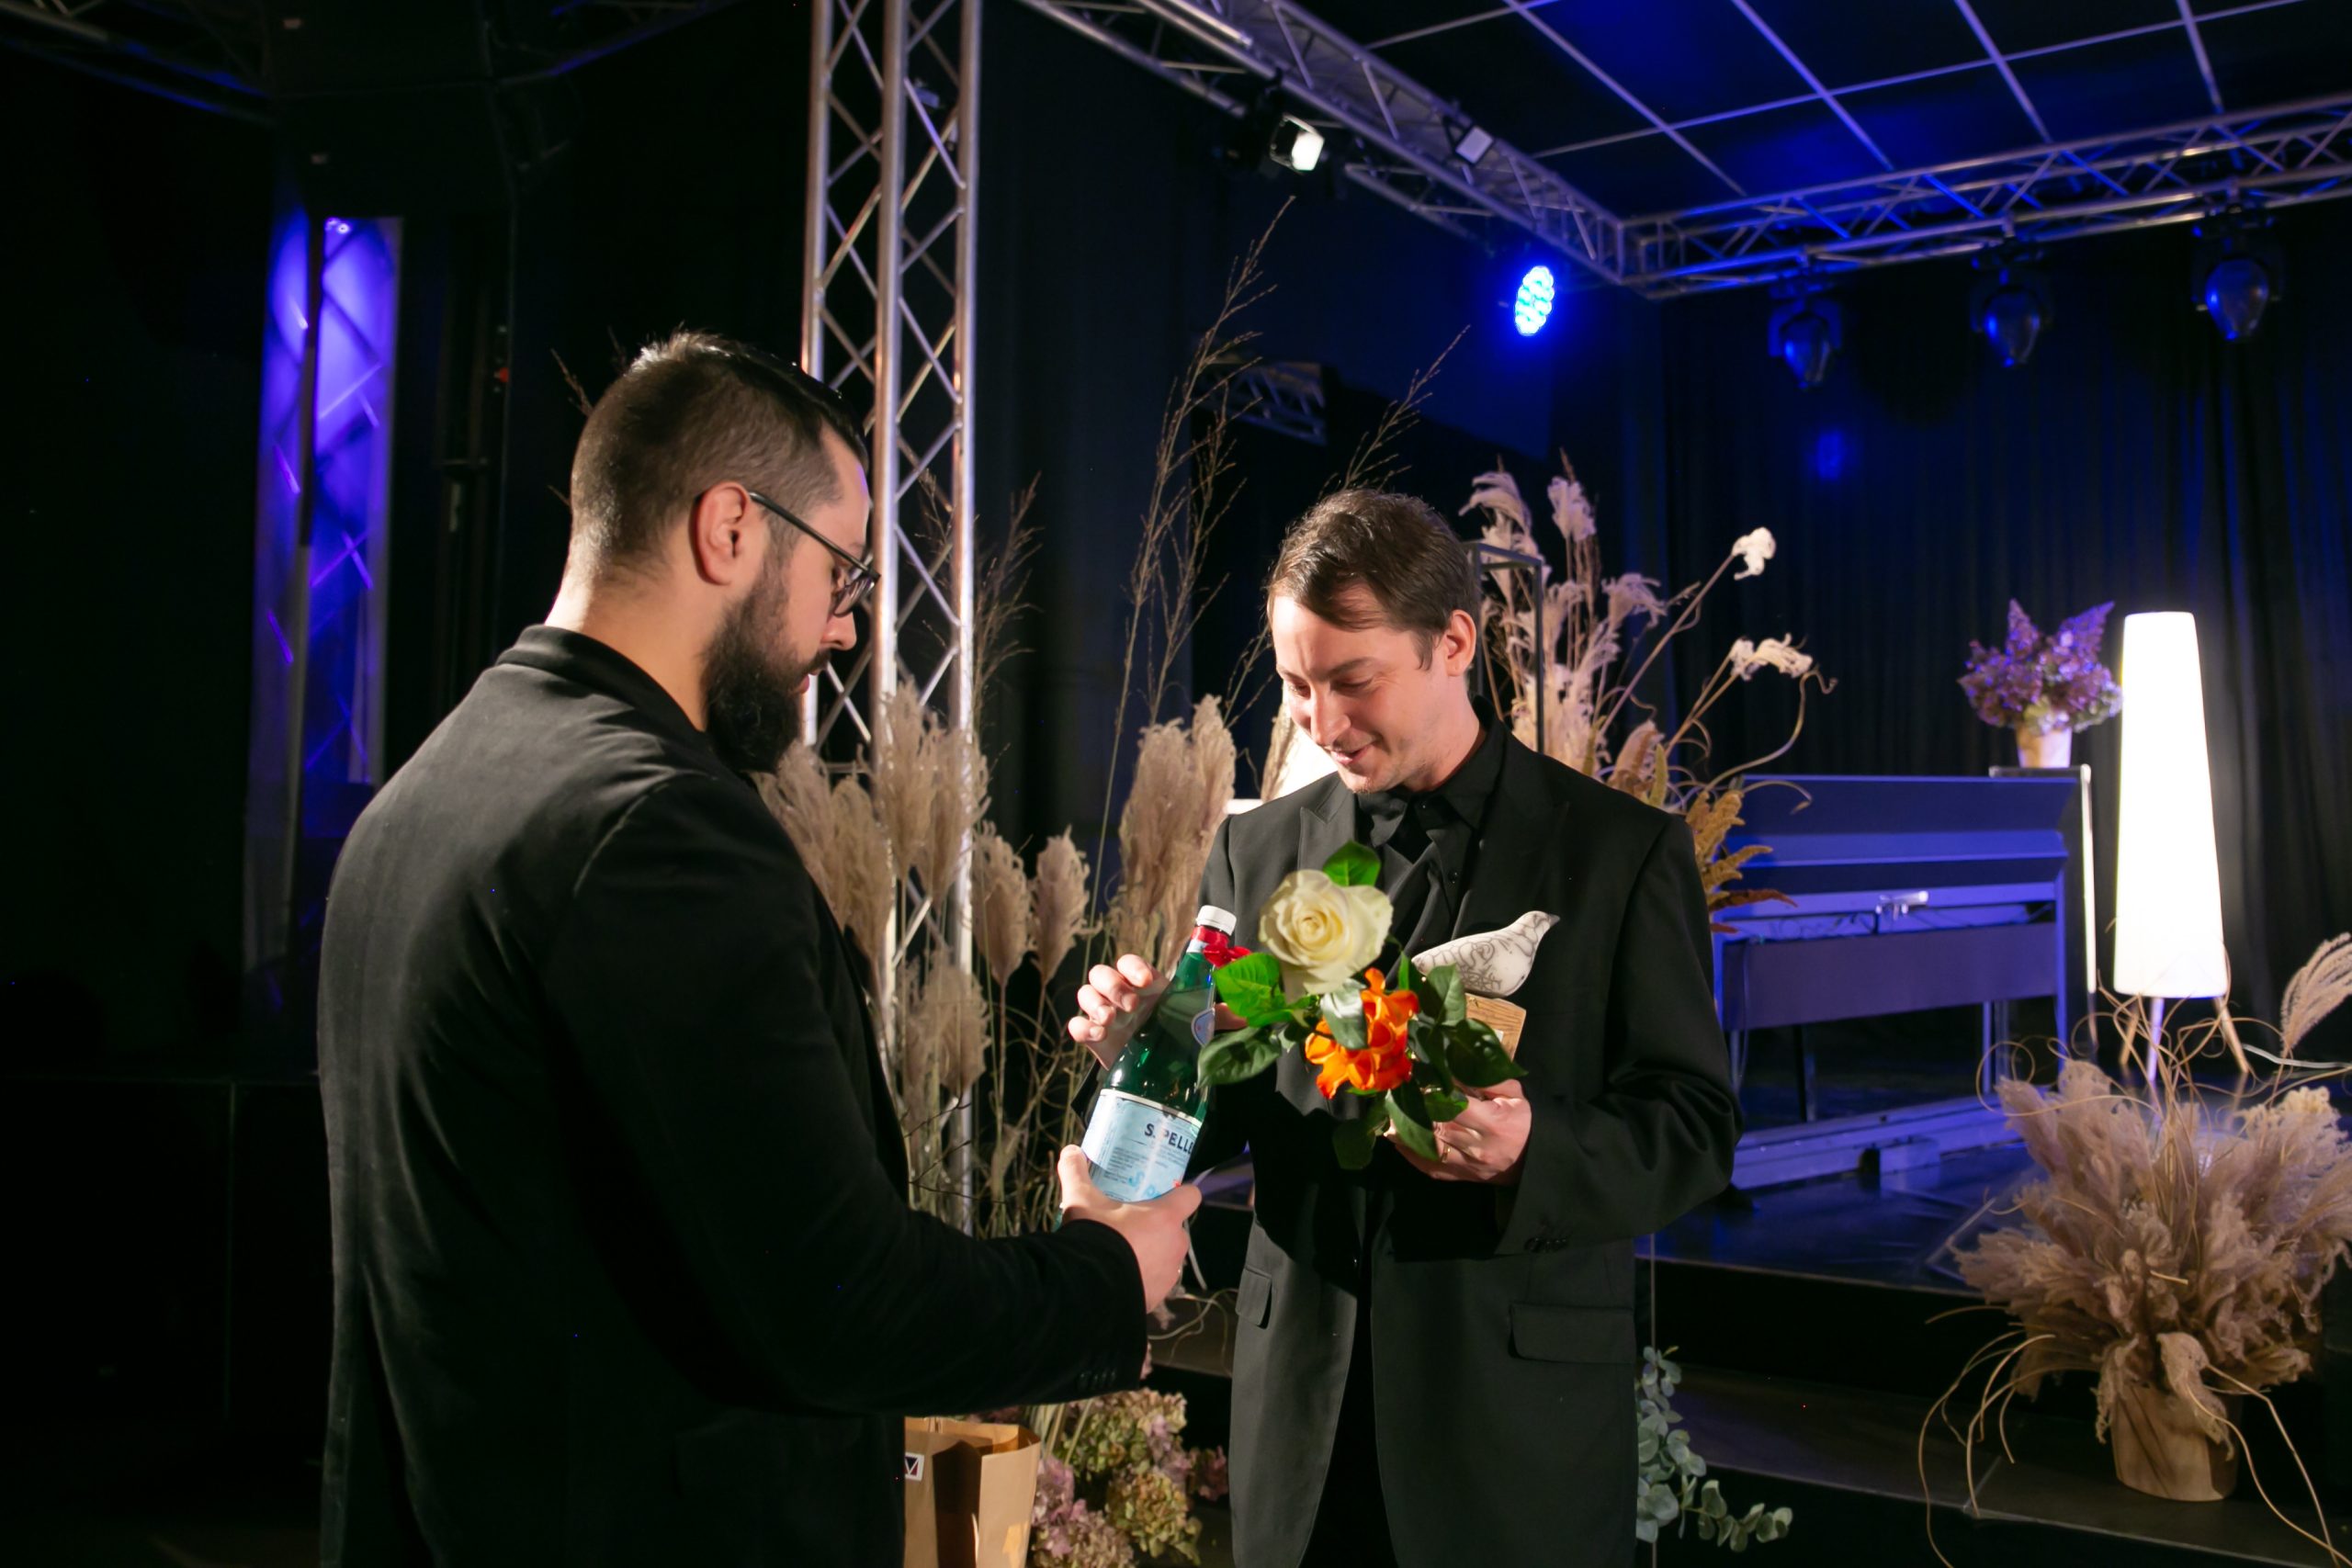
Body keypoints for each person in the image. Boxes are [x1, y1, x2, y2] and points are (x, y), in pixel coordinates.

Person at [318, 331, 1200, 1566]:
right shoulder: (655, 830)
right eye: (839, 573)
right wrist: (1105, 1272)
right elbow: (835, 1301)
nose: (842, 630)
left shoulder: (424, 792)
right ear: (729, 528)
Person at [1069, 490, 1739, 1566]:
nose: (1321, 722)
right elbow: (1228, 1108)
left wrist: (1532, 1149)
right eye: (1296, 685)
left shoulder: (1618, 855)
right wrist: (1147, 1056)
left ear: (1454, 643)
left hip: (1511, 1437)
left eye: (1352, 681)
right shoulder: (1255, 849)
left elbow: (1694, 1128)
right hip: (1301, 1425)